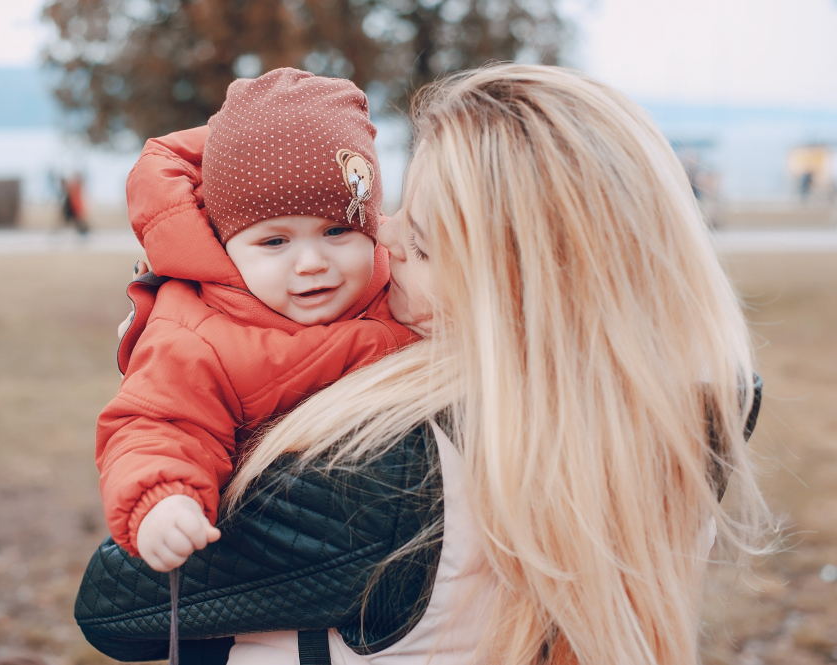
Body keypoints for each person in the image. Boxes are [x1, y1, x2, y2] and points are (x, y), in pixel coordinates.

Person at [79, 64, 771, 665]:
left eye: (429, 239)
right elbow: (159, 426)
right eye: (400, 204)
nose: (387, 232)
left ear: (514, 281)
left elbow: (112, 604)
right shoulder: (680, 416)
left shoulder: (396, 468)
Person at [96, 69, 415, 574]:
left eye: (336, 231)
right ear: (225, 246)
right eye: (275, 242)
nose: (311, 263)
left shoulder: (404, 283)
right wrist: (164, 499)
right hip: (270, 558)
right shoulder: (198, 332)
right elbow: (157, 425)